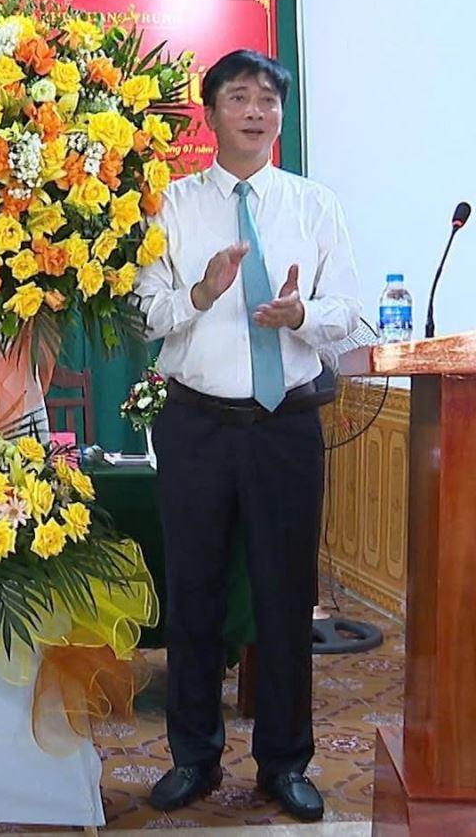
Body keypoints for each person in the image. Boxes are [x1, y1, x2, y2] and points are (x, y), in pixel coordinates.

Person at [132, 49, 360, 822]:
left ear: (280, 115)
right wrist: (200, 293)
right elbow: (143, 312)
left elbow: (348, 313)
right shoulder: (172, 207)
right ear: (210, 115)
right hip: (197, 423)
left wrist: (302, 315)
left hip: (285, 425)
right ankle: (193, 760)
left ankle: (285, 764)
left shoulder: (314, 206)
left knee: (285, 599)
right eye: (239, 97)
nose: (256, 110)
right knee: (193, 596)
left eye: (268, 98)